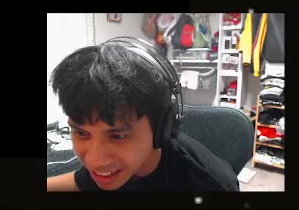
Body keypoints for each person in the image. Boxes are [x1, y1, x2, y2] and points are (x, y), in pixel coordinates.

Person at [46, 38, 238, 192]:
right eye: (81, 133)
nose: (94, 161)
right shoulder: (108, 165)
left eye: (118, 136)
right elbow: (80, 182)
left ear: (162, 127)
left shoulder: (212, 185)